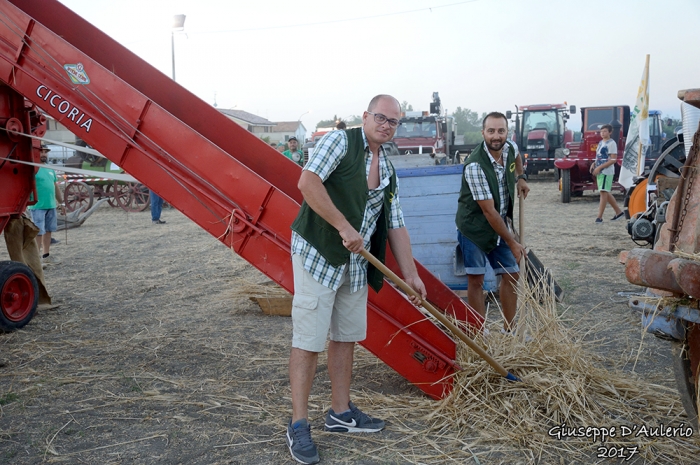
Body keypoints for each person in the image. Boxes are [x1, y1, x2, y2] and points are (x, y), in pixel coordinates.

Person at [286, 94, 427, 464]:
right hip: (319, 251)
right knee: (309, 338)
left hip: (354, 262)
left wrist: (410, 275)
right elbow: (307, 182)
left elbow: (395, 223)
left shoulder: (389, 169)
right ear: (366, 116)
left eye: (393, 121)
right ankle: (298, 424)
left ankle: (340, 412)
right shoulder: (340, 141)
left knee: (346, 335)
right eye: (380, 117)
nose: (386, 125)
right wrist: (343, 226)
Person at [455, 112, 529, 333]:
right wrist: (513, 242)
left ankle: (510, 331)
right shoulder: (475, 166)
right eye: (491, 131)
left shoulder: (509, 148)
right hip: (475, 228)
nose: (496, 136)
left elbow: (517, 156)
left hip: (499, 226)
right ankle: (480, 333)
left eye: (501, 131)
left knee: (512, 275)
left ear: (507, 132)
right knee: (476, 279)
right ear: (483, 133)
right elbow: (488, 212)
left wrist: (521, 177)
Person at [28, 145, 64, 265]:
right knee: (38, 232)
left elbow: (55, 187)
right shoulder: (32, 168)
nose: (43, 154)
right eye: (41, 152)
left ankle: (46, 255)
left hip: (51, 205)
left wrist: (61, 202)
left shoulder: (50, 169)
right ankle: (36, 260)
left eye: (45, 152)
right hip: (37, 206)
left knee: (48, 231)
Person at [590, 124, 624, 223]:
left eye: (605, 131)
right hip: (600, 170)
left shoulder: (612, 143)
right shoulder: (601, 142)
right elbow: (599, 156)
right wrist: (594, 164)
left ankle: (599, 217)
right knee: (604, 192)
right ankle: (619, 212)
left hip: (606, 171)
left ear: (610, 132)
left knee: (603, 192)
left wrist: (600, 167)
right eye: (601, 131)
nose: (603, 133)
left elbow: (613, 160)